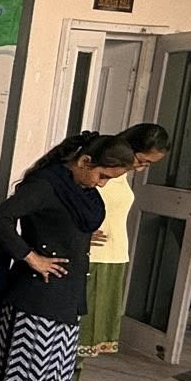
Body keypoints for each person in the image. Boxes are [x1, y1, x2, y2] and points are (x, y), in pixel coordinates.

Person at [0, 133, 136, 381]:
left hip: (67, 292)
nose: (102, 184)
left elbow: (64, 221)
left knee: (54, 372)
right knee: (27, 372)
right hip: (35, 297)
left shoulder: (81, 191)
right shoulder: (46, 185)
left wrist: (78, 236)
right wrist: (31, 257)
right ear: (84, 161)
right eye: (102, 175)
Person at [77, 123, 171, 366]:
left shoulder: (121, 176)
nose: (141, 168)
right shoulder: (98, 172)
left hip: (113, 257)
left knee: (93, 334)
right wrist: (78, 234)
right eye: (142, 161)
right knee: (78, 332)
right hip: (92, 257)